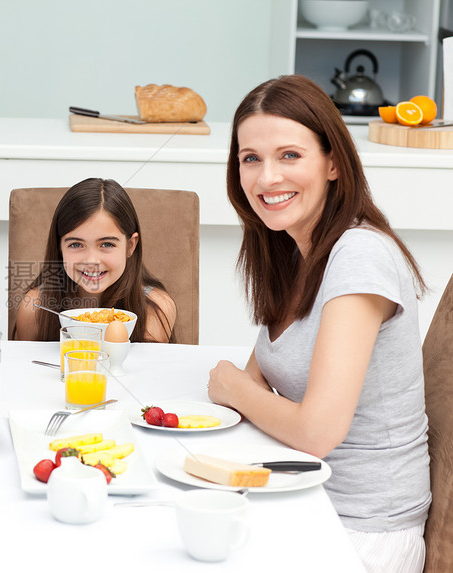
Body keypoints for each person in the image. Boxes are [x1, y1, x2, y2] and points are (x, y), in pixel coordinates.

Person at [207, 75, 429, 573]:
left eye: (289, 155)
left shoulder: (359, 254)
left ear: (332, 162)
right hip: (305, 499)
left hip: (361, 531)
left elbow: (315, 431)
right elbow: (259, 374)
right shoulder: (294, 250)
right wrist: (241, 388)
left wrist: (233, 388)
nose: (267, 178)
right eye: (251, 159)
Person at [14, 178, 176, 342]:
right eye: (76, 244)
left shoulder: (155, 308)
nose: (91, 260)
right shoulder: (35, 308)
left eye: (106, 244)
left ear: (130, 246)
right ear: (59, 247)